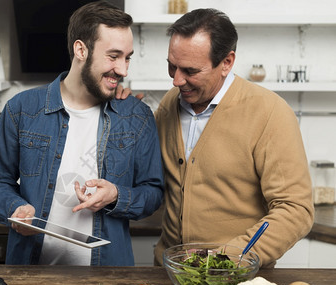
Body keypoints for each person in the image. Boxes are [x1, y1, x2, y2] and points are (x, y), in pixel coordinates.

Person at [120, 8, 314, 268]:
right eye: (171, 66)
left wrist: (223, 260)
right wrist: (123, 118)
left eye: (190, 70)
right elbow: (145, 177)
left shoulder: (269, 113)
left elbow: (295, 210)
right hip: (167, 275)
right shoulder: (168, 106)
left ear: (226, 62)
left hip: (235, 278)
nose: (177, 80)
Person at [0, 1, 163, 266]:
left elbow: (153, 192)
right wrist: (15, 209)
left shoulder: (136, 116)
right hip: (30, 271)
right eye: (113, 56)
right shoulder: (21, 109)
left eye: (127, 58)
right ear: (81, 49)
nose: (124, 69)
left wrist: (116, 195)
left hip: (107, 276)